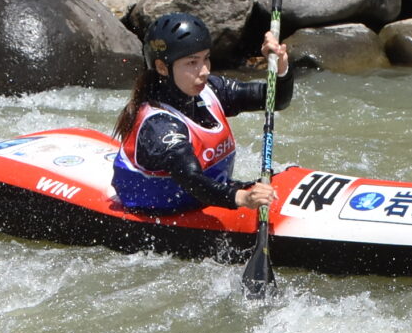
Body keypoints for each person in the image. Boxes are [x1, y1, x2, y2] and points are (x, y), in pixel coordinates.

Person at [110, 12, 293, 215]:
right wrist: (243, 198)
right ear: (162, 67)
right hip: (162, 211)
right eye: (192, 63)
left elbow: (274, 100)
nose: (204, 70)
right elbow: (193, 180)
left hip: (209, 196)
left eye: (206, 59)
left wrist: (281, 65)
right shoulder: (159, 126)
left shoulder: (211, 90)